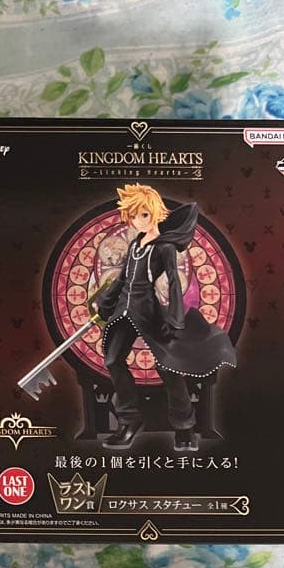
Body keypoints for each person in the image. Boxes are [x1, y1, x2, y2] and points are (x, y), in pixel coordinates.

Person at [93, 184, 236, 452]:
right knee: (113, 360)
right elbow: (123, 278)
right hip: (124, 310)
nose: (138, 220)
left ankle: (184, 427)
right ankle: (129, 420)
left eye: (144, 214)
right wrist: (107, 301)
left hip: (147, 310)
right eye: (133, 215)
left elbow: (173, 283)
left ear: (156, 213)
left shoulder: (165, 247)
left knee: (167, 367)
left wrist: (175, 318)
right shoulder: (135, 245)